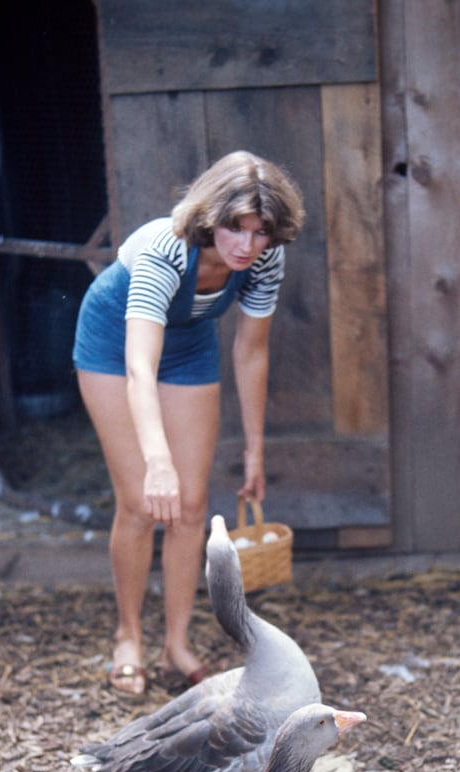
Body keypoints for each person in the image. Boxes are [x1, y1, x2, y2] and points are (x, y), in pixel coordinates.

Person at [72, 150, 305, 696]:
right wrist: (157, 462)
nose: (245, 246)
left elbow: (251, 353)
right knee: (140, 499)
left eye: (260, 233)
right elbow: (139, 367)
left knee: (192, 503)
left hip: (190, 347)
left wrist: (254, 449)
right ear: (210, 218)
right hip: (116, 346)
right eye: (234, 229)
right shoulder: (164, 251)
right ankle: (128, 636)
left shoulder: (264, 260)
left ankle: (177, 643)